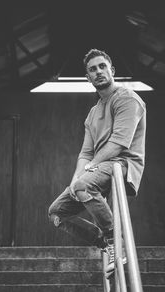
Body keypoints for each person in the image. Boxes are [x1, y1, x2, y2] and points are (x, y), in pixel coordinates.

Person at [48, 49, 146, 270]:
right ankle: (105, 242)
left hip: (122, 164)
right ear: (88, 77)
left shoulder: (126, 98)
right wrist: (76, 180)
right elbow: (85, 153)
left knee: (84, 184)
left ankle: (115, 242)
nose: (98, 71)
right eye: (93, 69)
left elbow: (119, 143)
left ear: (112, 70)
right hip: (99, 167)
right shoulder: (93, 113)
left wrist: (89, 170)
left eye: (102, 67)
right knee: (57, 212)